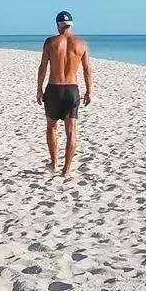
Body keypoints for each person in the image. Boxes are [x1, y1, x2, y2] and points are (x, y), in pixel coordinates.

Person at [36, 11, 92, 178]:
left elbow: (43, 66)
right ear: (72, 24)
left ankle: (53, 163)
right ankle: (66, 170)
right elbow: (87, 69)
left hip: (54, 88)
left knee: (52, 127)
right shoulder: (81, 43)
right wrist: (89, 91)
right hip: (71, 90)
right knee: (71, 130)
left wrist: (39, 89)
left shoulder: (51, 42)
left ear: (57, 25)